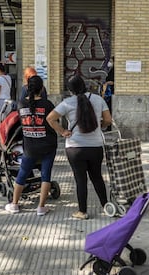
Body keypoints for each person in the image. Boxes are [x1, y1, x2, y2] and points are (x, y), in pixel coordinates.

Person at [47, 75, 112, 220]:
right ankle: (107, 206)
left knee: (80, 179)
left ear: (70, 90)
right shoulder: (98, 99)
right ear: (85, 85)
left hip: (75, 148)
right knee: (97, 177)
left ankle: (82, 212)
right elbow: (108, 120)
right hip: (95, 147)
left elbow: (50, 118)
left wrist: (63, 131)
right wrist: (99, 126)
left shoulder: (67, 103)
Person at [5, 75, 58, 216]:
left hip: (30, 147)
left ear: (28, 88)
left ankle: (15, 204)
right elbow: (55, 121)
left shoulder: (21, 103)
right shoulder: (48, 105)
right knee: (46, 175)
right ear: (42, 88)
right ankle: (41, 207)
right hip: (48, 145)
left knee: (22, 174)